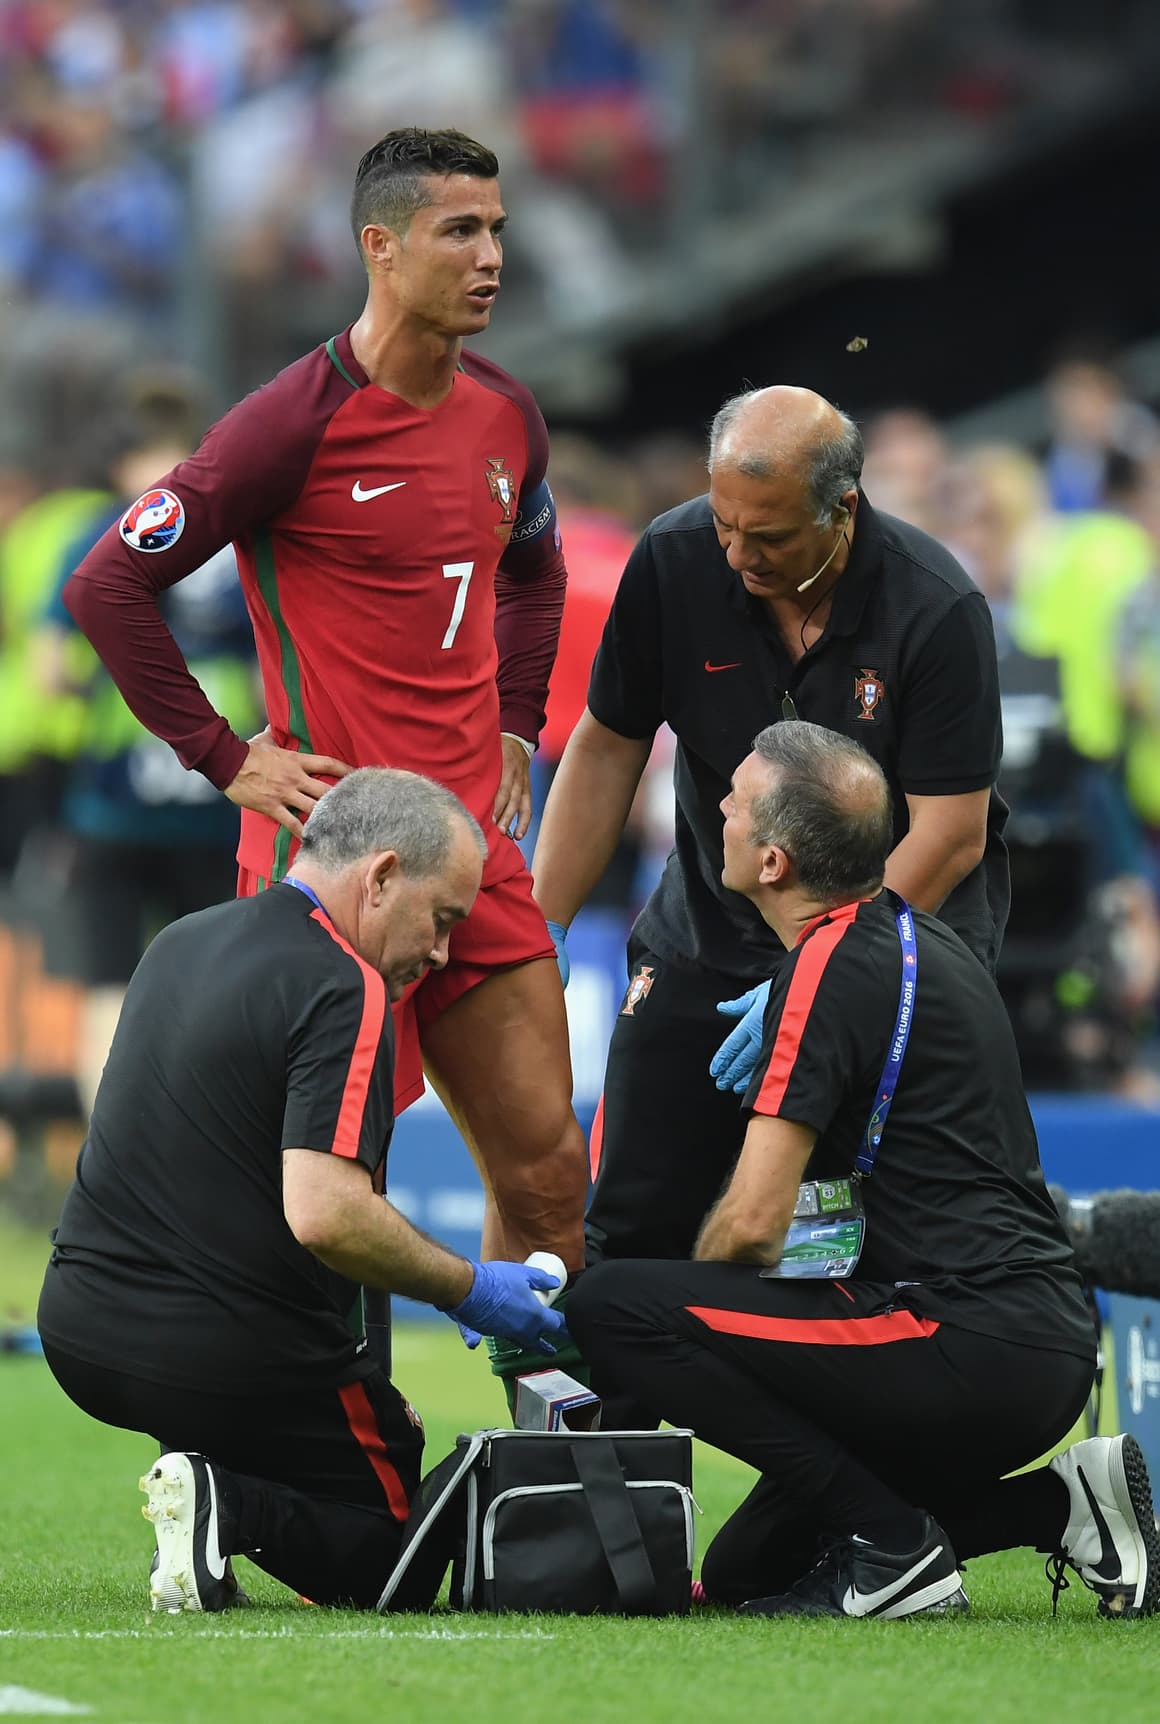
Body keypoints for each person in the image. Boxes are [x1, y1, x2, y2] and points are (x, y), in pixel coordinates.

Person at [62, 127, 587, 1277]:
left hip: (474, 844)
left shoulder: (507, 415)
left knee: (547, 1169)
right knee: (317, 1190)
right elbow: (106, 582)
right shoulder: (289, 422)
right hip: (332, 851)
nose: (492, 254)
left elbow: (536, 571)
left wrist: (516, 717)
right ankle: (266, 1447)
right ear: (380, 249)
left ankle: (553, 1440)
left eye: (497, 228)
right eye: (461, 230)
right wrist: (221, 756)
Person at [565, 724, 1160, 1623]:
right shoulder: (923, 938)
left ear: (773, 861)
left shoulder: (823, 963)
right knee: (746, 1573)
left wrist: (683, 1320)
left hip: (962, 1337)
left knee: (609, 1305)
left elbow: (755, 1225)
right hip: (1027, 1341)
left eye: (734, 799)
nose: (715, 809)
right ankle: (1064, 1504)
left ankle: (891, 1552)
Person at [37, 767, 569, 1614]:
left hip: (79, 1330)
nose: (439, 953)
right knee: (396, 1559)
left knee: (339, 1423)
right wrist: (472, 1289)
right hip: (209, 1348)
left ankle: (203, 1485)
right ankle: (224, 1500)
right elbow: (324, 1212)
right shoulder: (343, 980)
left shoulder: (181, 938)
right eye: (441, 921)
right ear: (383, 875)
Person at [533, 384, 1009, 1264]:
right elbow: (606, 747)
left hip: (894, 947)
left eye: (773, 536)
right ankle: (611, 1396)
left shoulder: (935, 608)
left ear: (843, 509)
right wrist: (543, 926)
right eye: (725, 524)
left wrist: (825, 980)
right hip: (710, 926)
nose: (740, 554)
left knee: (863, 1248)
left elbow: (951, 833)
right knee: (633, 1222)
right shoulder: (674, 561)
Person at [36, 384, 261, 1116]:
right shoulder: (238, 535)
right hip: (227, 797)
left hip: (115, 805)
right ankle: (205, 1158)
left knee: (109, 985)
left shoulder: (100, 533)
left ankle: (104, 1175)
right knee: (222, 984)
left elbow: (53, 670)